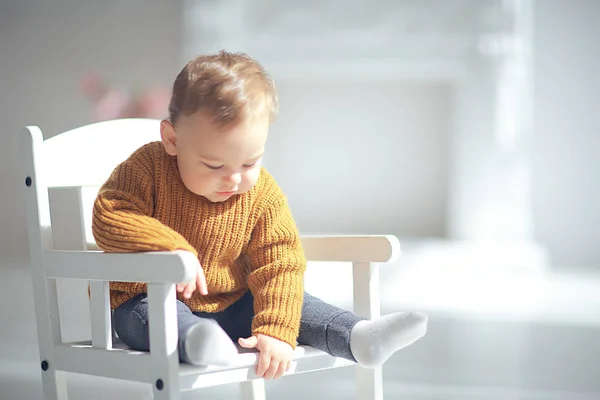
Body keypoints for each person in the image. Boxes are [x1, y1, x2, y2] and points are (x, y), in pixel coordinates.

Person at [92, 50, 427, 381]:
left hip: (232, 304)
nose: (234, 179)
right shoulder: (148, 168)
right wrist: (169, 247)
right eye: (214, 165)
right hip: (145, 298)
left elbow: (280, 261)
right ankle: (197, 341)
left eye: (249, 163)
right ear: (172, 140)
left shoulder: (261, 192)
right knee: (160, 315)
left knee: (292, 302)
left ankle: (358, 336)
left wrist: (277, 330)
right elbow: (109, 214)